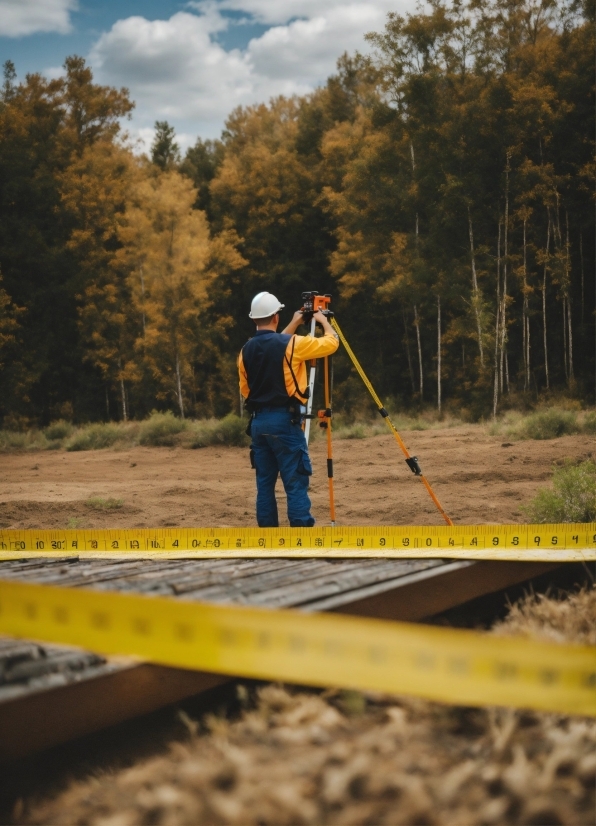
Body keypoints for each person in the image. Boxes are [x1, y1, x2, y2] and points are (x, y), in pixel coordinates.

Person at [238, 291, 339, 527]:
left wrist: (295, 322)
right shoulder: (292, 345)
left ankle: (268, 537)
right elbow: (331, 344)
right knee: (294, 481)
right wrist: (324, 322)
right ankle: (301, 534)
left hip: (258, 423)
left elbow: (246, 390)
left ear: (254, 319)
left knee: (264, 484)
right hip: (285, 421)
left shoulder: (245, 350)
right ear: (276, 317)